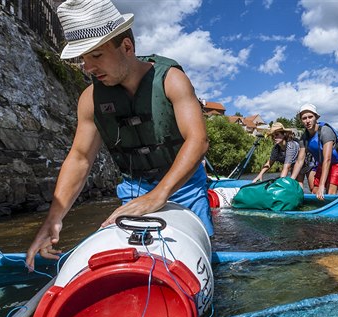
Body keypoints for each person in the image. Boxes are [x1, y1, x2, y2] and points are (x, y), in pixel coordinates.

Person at [26, 0, 212, 269]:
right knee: (135, 259)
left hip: (186, 187)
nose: (88, 68)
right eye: (83, 59)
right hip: (134, 190)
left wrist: (159, 195)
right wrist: (53, 220)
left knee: (198, 252)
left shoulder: (171, 79)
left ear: (126, 47)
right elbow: (80, 159)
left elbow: (198, 140)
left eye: (97, 56)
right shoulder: (90, 99)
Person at [291, 104, 338, 200]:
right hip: (322, 164)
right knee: (315, 192)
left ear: (316, 117)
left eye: (310, 117)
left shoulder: (325, 131)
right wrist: (290, 181)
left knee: (329, 194)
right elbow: (300, 161)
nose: (307, 121)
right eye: (304, 118)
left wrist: (322, 186)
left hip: (336, 163)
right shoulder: (304, 137)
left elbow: (327, 159)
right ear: (301, 120)